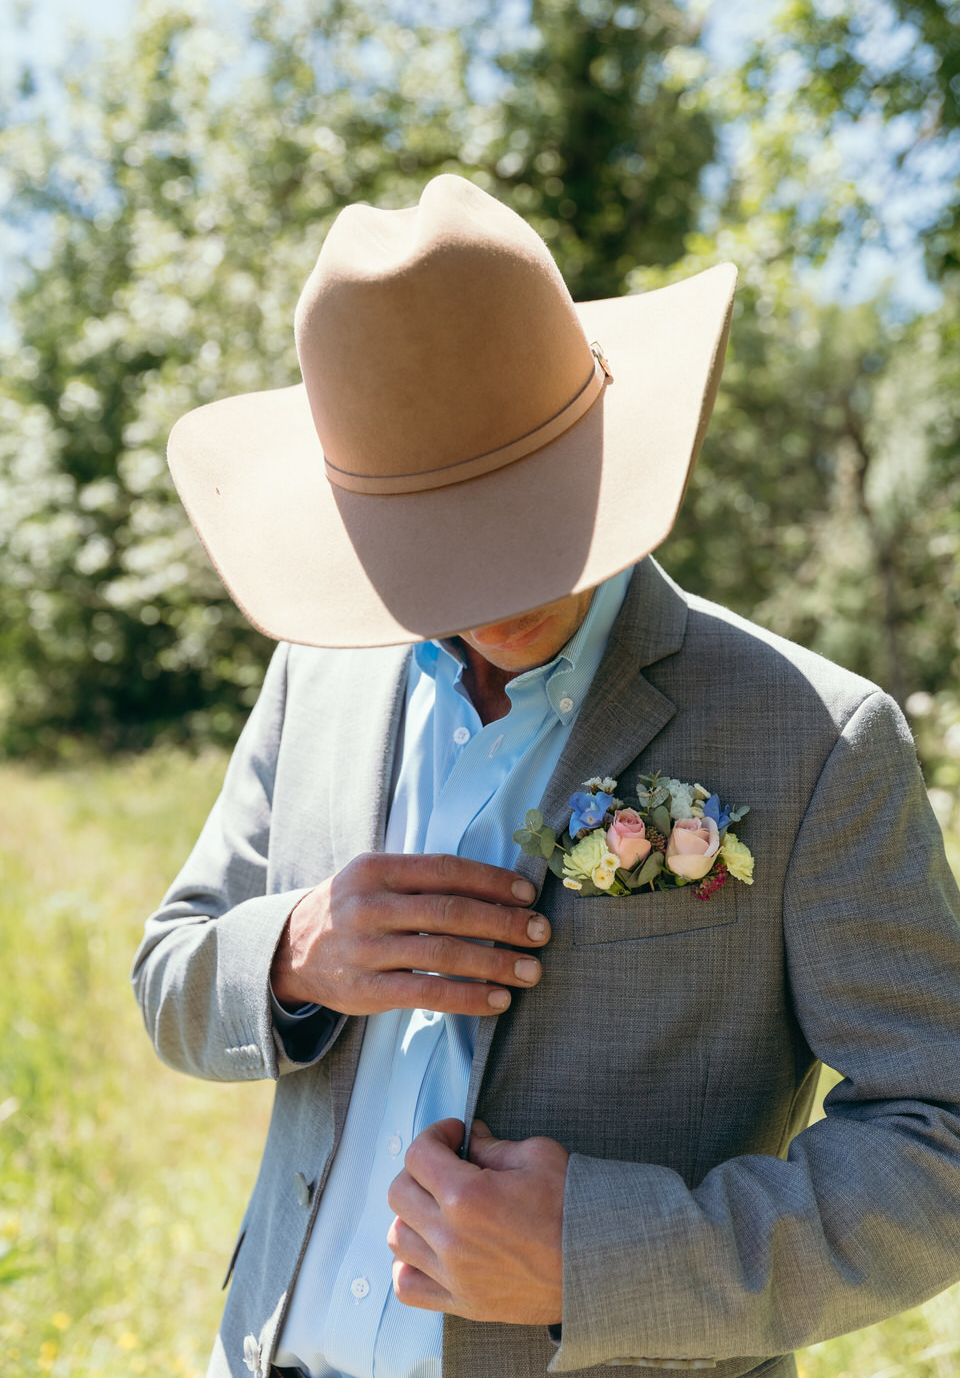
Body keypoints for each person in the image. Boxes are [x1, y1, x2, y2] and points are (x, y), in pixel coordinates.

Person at [133, 175, 960, 1378]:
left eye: (521, 515)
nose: (497, 585)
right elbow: (170, 970)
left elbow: (938, 1138)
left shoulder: (818, 739)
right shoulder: (315, 678)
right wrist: (296, 956)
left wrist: (596, 1254)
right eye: (442, 536)